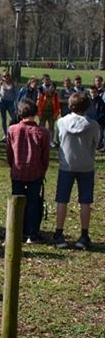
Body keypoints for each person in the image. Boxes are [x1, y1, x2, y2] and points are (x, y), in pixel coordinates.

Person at [52, 92, 99, 250]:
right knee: (85, 201)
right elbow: (96, 143)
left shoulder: (61, 122)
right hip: (86, 165)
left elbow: (58, 140)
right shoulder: (93, 125)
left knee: (62, 199)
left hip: (67, 165)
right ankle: (84, 235)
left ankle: (58, 233)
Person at [6, 99, 50, 244]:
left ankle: (17, 230)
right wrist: (43, 169)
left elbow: (9, 152)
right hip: (35, 172)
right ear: (36, 113)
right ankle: (32, 233)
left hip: (18, 170)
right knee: (32, 202)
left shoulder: (12, 129)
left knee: (17, 202)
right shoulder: (42, 132)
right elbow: (45, 156)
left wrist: (12, 165)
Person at [37, 83, 61, 147]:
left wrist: (56, 114)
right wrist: (39, 113)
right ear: (48, 88)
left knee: (51, 127)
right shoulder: (43, 94)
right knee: (41, 126)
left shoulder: (55, 96)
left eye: (53, 88)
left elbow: (58, 106)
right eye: (50, 87)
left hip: (52, 113)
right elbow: (39, 104)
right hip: (43, 112)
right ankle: (40, 140)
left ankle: (51, 141)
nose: (52, 89)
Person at [0, 71, 17, 136]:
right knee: (3, 119)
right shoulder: (1, 83)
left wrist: (16, 102)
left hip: (11, 102)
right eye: (4, 76)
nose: (6, 77)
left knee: (14, 118)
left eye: (7, 75)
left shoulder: (13, 83)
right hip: (2, 102)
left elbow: (16, 93)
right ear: (2, 77)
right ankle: (5, 135)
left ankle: (14, 132)